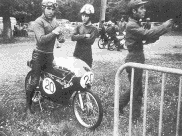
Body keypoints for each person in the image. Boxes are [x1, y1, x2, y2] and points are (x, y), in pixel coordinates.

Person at [119, 0, 173, 122]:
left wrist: (159, 33)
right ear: (134, 11)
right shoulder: (131, 25)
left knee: (135, 87)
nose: (144, 10)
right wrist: (163, 27)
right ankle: (135, 118)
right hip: (134, 58)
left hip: (136, 57)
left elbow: (147, 39)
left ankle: (119, 105)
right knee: (137, 91)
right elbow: (147, 34)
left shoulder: (135, 23)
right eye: (141, 8)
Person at [26, 0, 65, 114]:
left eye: (53, 9)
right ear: (43, 8)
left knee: (53, 77)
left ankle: (50, 96)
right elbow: (41, 39)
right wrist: (55, 32)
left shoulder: (54, 22)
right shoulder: (38, 21)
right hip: (39, 55)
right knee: (34, 81)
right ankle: (28, 107)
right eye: (48, 8)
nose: (51, 11)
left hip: (49, 55)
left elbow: (60, 39)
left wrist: (61, 37)